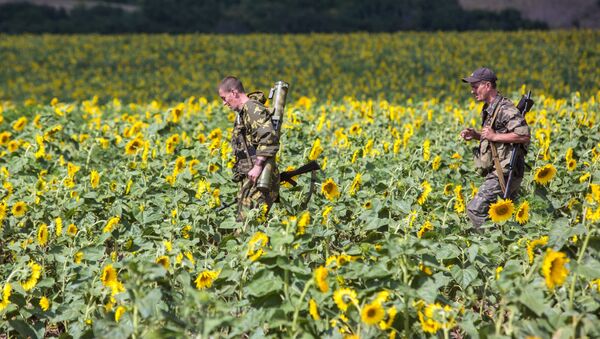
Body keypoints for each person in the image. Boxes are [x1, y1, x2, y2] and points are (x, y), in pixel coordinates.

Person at [459, 67, 530, 228]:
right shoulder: (491, 108)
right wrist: (477, 135)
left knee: (474, 210)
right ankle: (505, 244)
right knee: (505, 220)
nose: (472, 91)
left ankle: (489, 243)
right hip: (500, 170)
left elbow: (524, 135)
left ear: (487, 86)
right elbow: (498, 135)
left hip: (506, 171)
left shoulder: (505, 108)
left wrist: (494, 136)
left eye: (475, 87)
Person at [218, 76, 280, 222]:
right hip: (252, 178)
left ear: (233, 93)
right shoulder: (243, 113)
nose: (223, 103)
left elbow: (268, 137)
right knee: (247, 224)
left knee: (250, 225)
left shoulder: (252, 108)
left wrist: (258, 166)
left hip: (261, 176)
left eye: (224, 97)